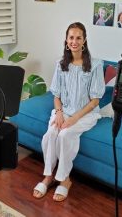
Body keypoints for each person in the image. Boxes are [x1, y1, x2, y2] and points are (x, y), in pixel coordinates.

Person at [32, 22, 105, 202]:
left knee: (65, 135)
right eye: (71, 37)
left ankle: (65, 180)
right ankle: (49, 176)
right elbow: (56, 94)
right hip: (63, 110)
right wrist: (58, 112)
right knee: (51, 133)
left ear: (84, 40)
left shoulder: (95, 65)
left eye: (78, 37)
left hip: (85, 114)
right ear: (66, 40)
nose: (74, 41)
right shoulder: (61, 64)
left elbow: (95, 100)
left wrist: (73, 119)